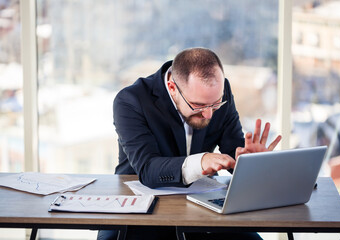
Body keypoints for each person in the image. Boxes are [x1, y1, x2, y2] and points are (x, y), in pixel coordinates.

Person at [97, 47, 281, 240]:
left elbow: (233, 150)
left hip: (201, 204)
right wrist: (200, 161)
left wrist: (252, 163)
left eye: (216, 104)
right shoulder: (131, 100)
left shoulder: (220, 90)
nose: (209, 113)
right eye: (199, 105)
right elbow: (147, 168)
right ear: (172, 88)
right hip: (140, 208)